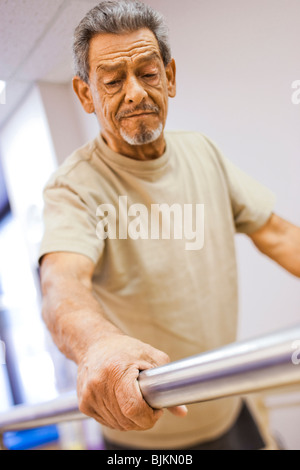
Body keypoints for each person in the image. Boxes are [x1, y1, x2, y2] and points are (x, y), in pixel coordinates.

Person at [39, 0, 300, 450]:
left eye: (148, 72)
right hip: (144, 437)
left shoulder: (203, 152)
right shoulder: (74, 187)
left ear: (170, 77)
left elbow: (278, 234)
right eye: (114, 80)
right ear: (86, 96)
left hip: (225, 405)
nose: (136, 92)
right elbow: (62, 286)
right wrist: (98, 346)